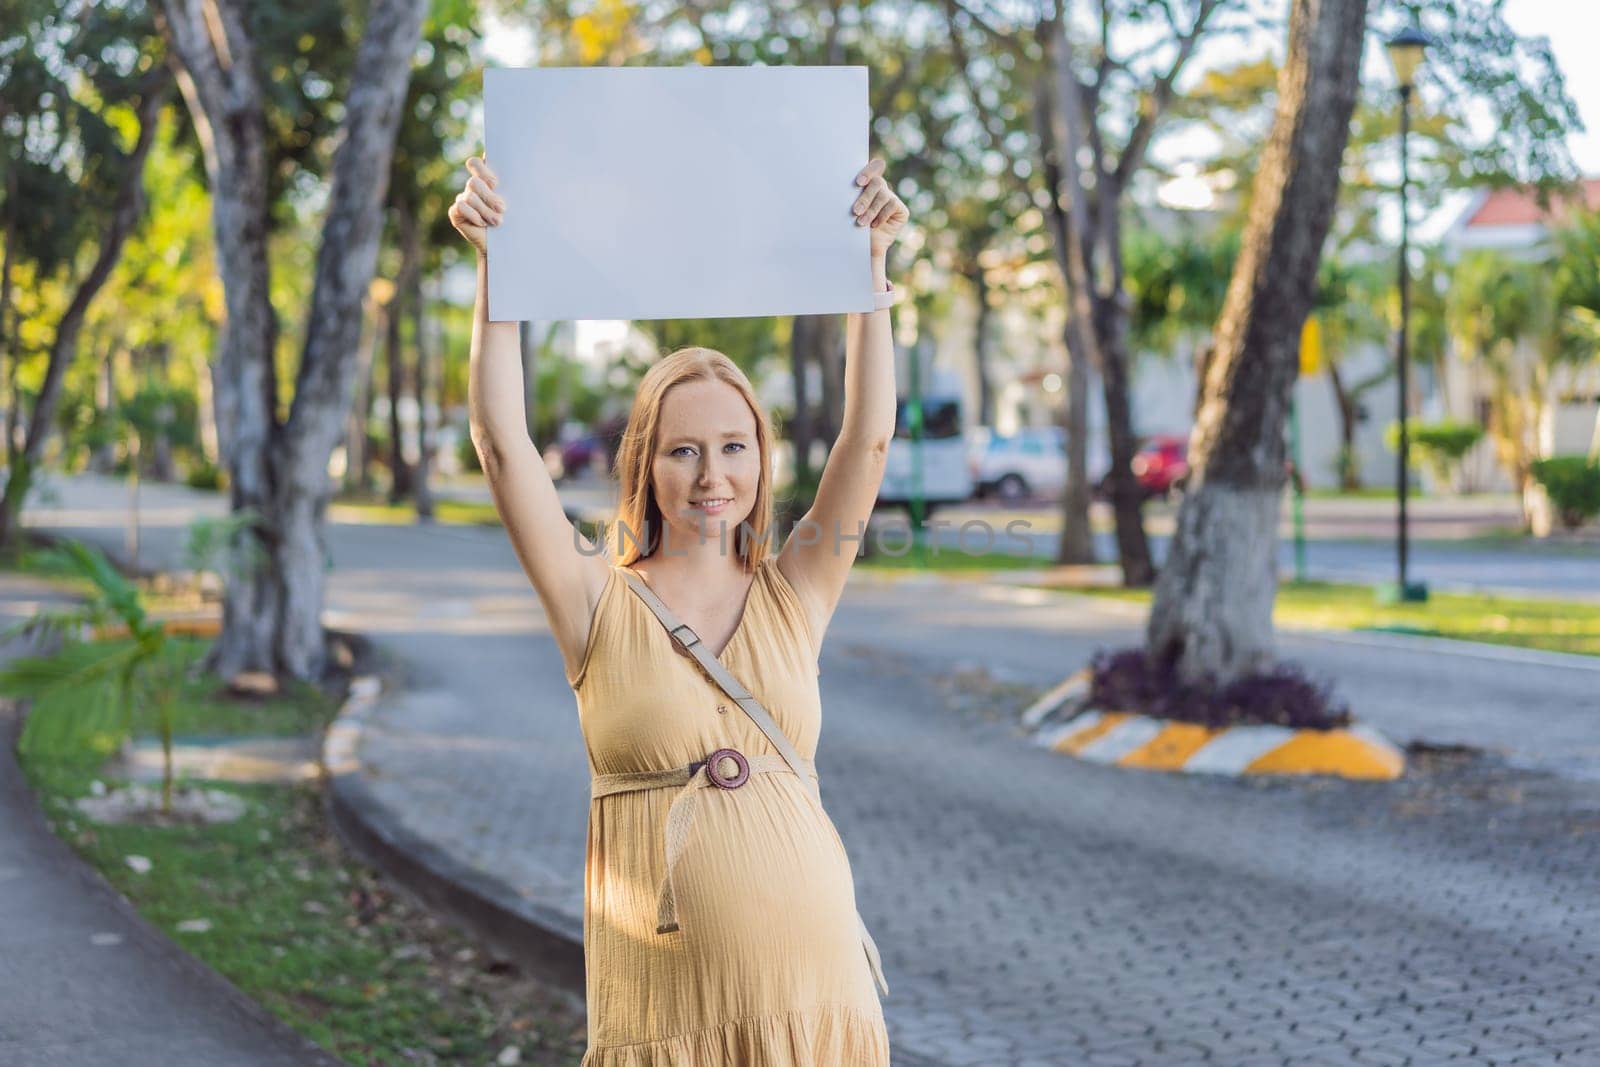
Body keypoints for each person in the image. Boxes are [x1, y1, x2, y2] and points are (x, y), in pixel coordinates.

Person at [449, 150, 909, 1065]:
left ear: (761, 462)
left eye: (734, 446)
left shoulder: (796, 588)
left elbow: (869, 436)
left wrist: (870, 272)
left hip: (819, 996)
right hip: (668, 1017)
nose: (713, 475)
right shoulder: (594, 599)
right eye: (683, 450)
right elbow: (502, 444)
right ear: (644, 467)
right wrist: (495, 264)